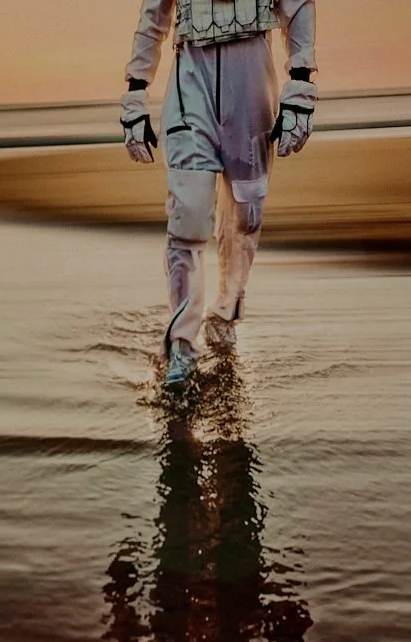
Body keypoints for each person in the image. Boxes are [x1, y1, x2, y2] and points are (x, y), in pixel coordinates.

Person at [120, 0, 317, 387]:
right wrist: (135, 92)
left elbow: (297, 5)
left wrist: (301, 82)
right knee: (188, 214)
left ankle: (225, 312)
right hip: (190, 75)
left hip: (252, 76)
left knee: (247, 212)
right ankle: (181, 343)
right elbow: (153, 15)